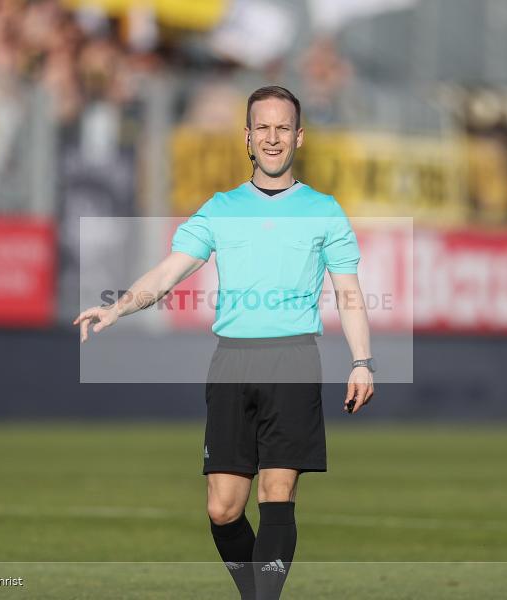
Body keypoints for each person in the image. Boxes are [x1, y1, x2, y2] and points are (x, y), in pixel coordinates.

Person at [74, 85, 374, 599]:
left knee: (277, 497)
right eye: (263, 128)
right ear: (248, 138)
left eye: (283, 128)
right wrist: (118, 306)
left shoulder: (324, 211)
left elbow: (348, 293)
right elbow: (168, 273)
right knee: (223, 509)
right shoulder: (221, 208)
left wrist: (362, 361)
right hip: (232, 362)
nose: (273, 137)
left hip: (294, 360)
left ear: (298, 137)